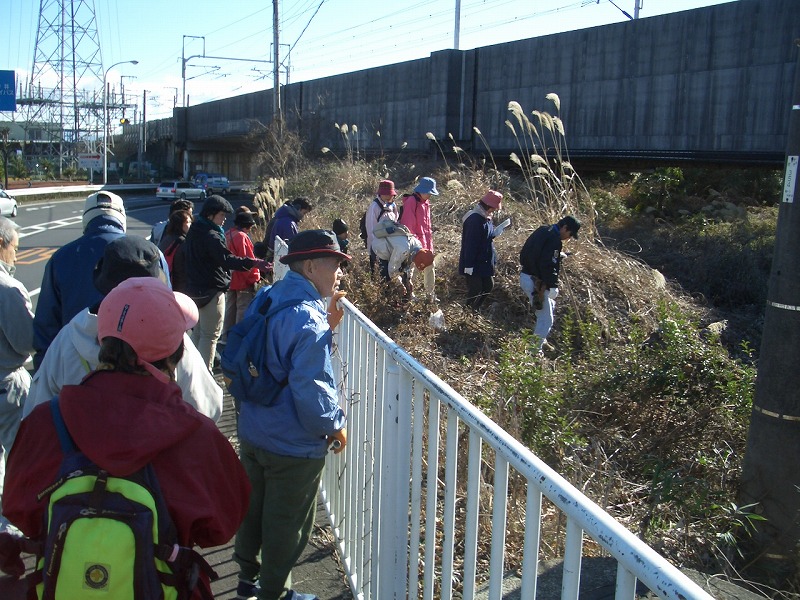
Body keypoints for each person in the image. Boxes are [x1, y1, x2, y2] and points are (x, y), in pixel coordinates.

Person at [4, 277, 251, 600]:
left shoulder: (47, 421)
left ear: (103, 340)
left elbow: (17, 507)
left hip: (63, 585)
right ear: (176, 351)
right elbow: (223, 524)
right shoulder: (195, 435)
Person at [233, 229, 348, 600]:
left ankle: (247, 580)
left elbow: (272, 353)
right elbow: (311, 390)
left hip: (253, 429)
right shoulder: (309, 321)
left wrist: (326, 324)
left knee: (254, 510)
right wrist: (335, 426)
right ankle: (275, 593)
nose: (340, 274)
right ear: (313, 267)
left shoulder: (269, 296)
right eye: (336, 265)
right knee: (287, 523)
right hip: (291, 444)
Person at [24, 235, 224, 421]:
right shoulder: (170, 338)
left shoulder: (70, 337)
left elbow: (36, 411)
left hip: (83, 455)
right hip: (158, 452)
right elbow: (208, 407)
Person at [33, 191, 126, 369]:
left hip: (74, 364)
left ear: (87, 219)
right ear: (121, 217)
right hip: (136, 368)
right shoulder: (150, 255)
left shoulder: (60, 259)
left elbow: (46, 327)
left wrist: (42, 371)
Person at [182, 195, 266, 370]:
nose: (224, 219)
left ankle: (189, 374)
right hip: (212, 291)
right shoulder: (211, 235)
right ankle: (205, 378)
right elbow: (226, 259)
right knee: (210, 336)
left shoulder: (194, 231)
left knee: (198, 334)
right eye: (222, 215)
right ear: (211, 215)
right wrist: (252, 263)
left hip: (194, 290)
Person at [0, 217, 33, 524]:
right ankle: (10, 527)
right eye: (14, 248)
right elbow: (25, 342)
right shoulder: (8, 289)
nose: (16, 255)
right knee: (18, 458)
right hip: (7, 386)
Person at [519, 215, 581, 352]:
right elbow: (548, 265)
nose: (568, 238)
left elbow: (533, 253)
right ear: (565, 227)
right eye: (570, 234)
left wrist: (558, 255)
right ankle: (534, 352)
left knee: (550, 306)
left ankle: (542, 339)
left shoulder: (542, 230)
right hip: (535, 283)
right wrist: (553, 285)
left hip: (526, 275)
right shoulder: (554, 240)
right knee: (546, 319)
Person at [458, 190, 510, 309]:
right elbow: (470, 244)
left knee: (488, 287)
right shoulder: (474, 219)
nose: (495, 210)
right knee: (475, 288)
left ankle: (474, 309)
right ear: (489, 205)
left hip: (484, 260)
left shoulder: (486, 217)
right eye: (494, 208)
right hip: (474, 261)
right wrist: (469, 264)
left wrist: (495, 233)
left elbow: (485, 235)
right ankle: (467, 311)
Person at [223, 208, 260, 340]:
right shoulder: (242, 237)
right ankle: (237, 338)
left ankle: (226, 337)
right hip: (243, 279)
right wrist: (255, 277)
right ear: (247, 226)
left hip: (229, 278)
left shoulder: (227, 234)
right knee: (242, 309)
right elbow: (248, 260)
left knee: (230, 309)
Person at [370, 220, 432, 299]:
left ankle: (404, 298)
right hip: (379, 250)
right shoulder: (403, 248)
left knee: (404, 276)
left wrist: (409, 280)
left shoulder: (417, 246)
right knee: (385, 279)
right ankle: (386, 301)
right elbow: (392, 270)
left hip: (394, 250)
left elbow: (411, 265)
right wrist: (399, 285)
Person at [399, 177, 438, 301]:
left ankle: (430, 294)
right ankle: (410, 294)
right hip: (414, 244)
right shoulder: (411, 201)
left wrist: (429, 246)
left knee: (430, 266)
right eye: (429, 192)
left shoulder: (426, 203)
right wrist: (416, 245)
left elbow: (427, 227)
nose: (430, 195)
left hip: (426, 244)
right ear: (422, 190)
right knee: (411, 270)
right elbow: (408, 225)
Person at [364, 179, 399, 273]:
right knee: (379, 273)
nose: (388, 196)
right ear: (380, 194)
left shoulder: (393, 206)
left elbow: (396, 222)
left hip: (391, 246)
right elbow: (371, 230)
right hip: (377, 247)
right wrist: (373, 249)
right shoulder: (374, 207)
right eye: (386, 194)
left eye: (390, 194)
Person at [158, 208, 193, 293]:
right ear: (180, 224)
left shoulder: (166, 239)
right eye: (188, 222)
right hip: (180, 287)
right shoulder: (183, 242)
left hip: (165, 282)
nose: (191, 225)